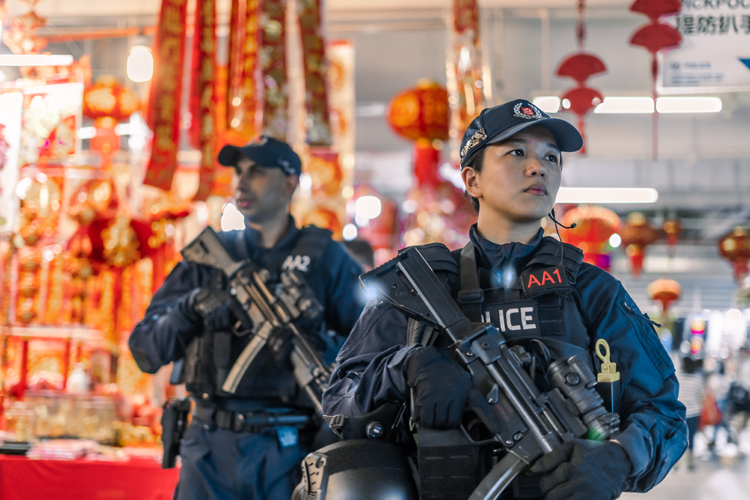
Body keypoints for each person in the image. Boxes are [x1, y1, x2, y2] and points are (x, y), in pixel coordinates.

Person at [322, 100, 687, 500]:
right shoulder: (421, 289)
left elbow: (664, 414)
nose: (539, 167)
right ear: (472, 181)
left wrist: (619, 458)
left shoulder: (591, 290)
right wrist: (406, 366)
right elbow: (339, 401)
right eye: (516, 152)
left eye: (552, 157)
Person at [128, 135, 365, 500]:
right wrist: (189, 308)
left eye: (256, 172)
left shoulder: (325, 259)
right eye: (238, 172)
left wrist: (319, 344)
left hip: (289, 450)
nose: (241, 182)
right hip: (209, 448)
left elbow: (371, 356)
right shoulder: (211, 258)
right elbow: (145, 350)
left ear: (289, 183)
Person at [676, 357, 705, 470]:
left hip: (680, 413)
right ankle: (690, 463)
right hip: (694, 413)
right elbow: (702, 396)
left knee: (679, 437)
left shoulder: (679, 377)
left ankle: (676, 463)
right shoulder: (698, 378)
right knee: (691, 437)